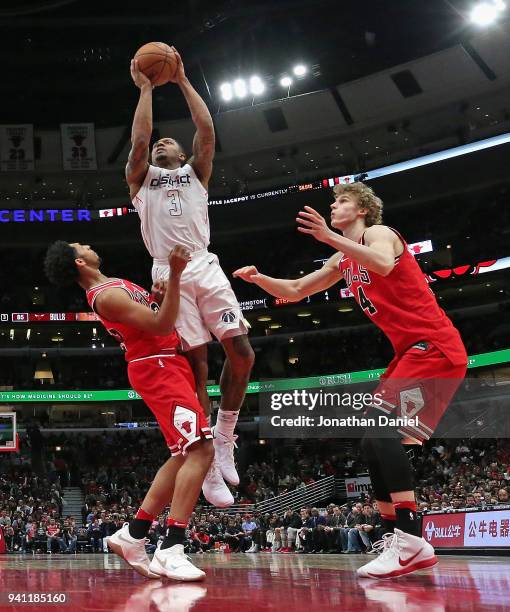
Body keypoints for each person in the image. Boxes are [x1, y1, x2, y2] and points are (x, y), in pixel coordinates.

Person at [234, 182, 467, 579]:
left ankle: (410, 537)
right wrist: (260, 280)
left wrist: (327, 236)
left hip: (434, 346)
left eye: (341, 200)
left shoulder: (379, 234)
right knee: (370, 439)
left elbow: (383, 263)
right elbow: (295, 291)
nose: (333, 205)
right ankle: (399, 537)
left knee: (379, 431)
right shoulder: (343, 259)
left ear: (362, 210)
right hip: (409, 353)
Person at [127, 48, 254, 507]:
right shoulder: (142, 180)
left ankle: (223, 439)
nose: (161, 145)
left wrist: (180, 80)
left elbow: (207, 131)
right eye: (158, 145)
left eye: (168, 144)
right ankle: (206, 463)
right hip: (167, 273)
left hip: (204, 264)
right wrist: (145, 90)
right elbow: (140, 142)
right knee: (196, 368)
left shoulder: (196, 173)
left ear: (181, 154)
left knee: (241, 351)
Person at [44, 240, 214, 581]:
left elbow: (151, 318)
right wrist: (177, 275)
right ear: (79, 261)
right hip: (157, 366)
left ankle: (134, 534)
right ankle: (171, 547)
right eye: (81, 245)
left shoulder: (112, 285)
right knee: (201, 449)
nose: (89, 244)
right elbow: (162, 327)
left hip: (165, 363)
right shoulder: (105, 296)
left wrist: (156, 296)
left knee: (183, 455)